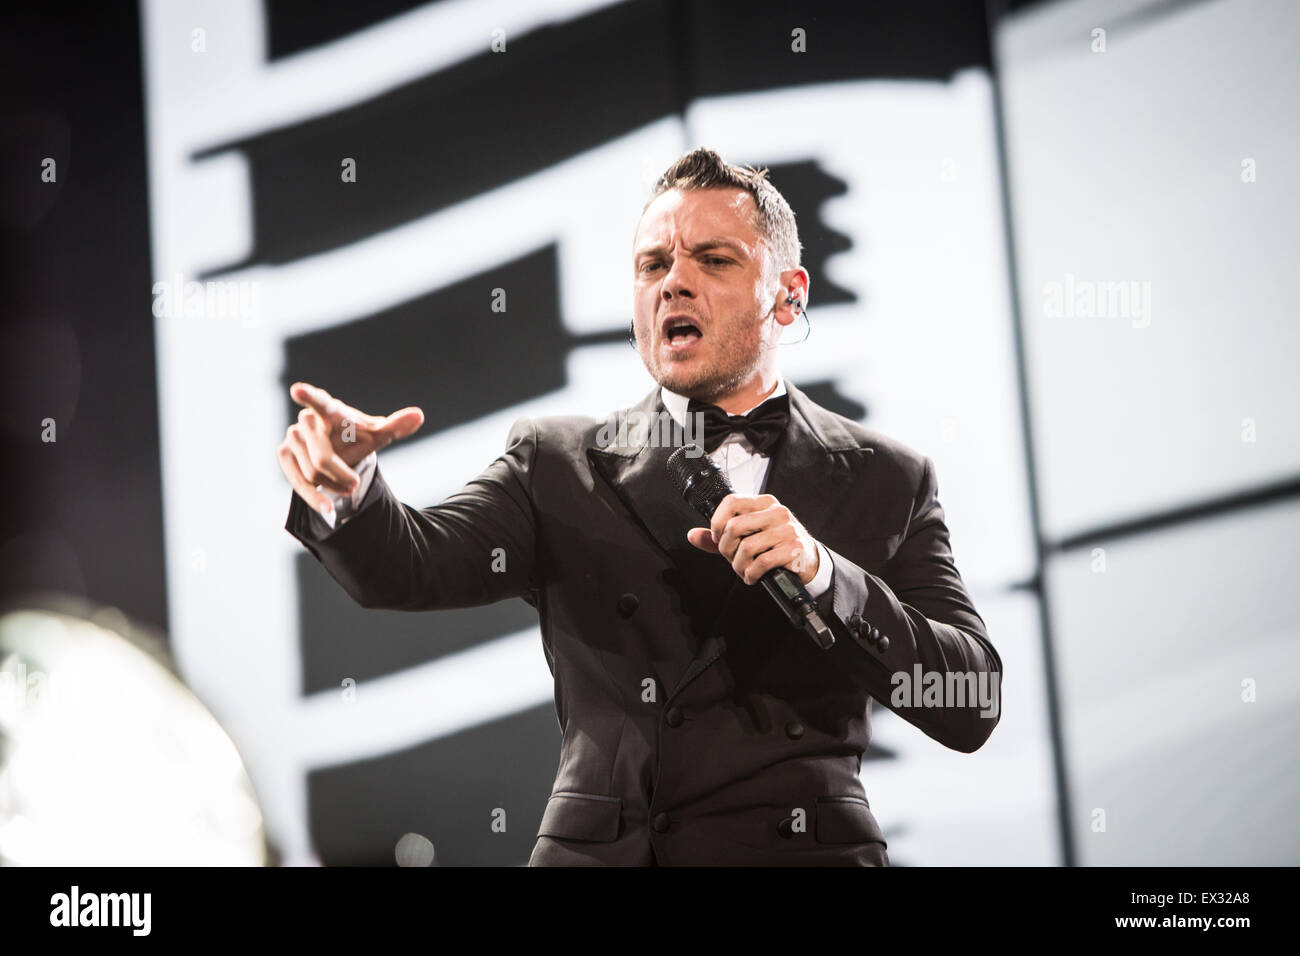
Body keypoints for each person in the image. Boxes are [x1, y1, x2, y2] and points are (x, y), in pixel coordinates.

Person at [278, 147, 1002, 866]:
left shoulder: (886, 477)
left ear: (789, 294)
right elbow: (407, 567)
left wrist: (821, 574)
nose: (674, 282)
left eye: (713, 260)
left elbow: (969, 698)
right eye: (653, 265)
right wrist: (352, 492)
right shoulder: (557, 463)